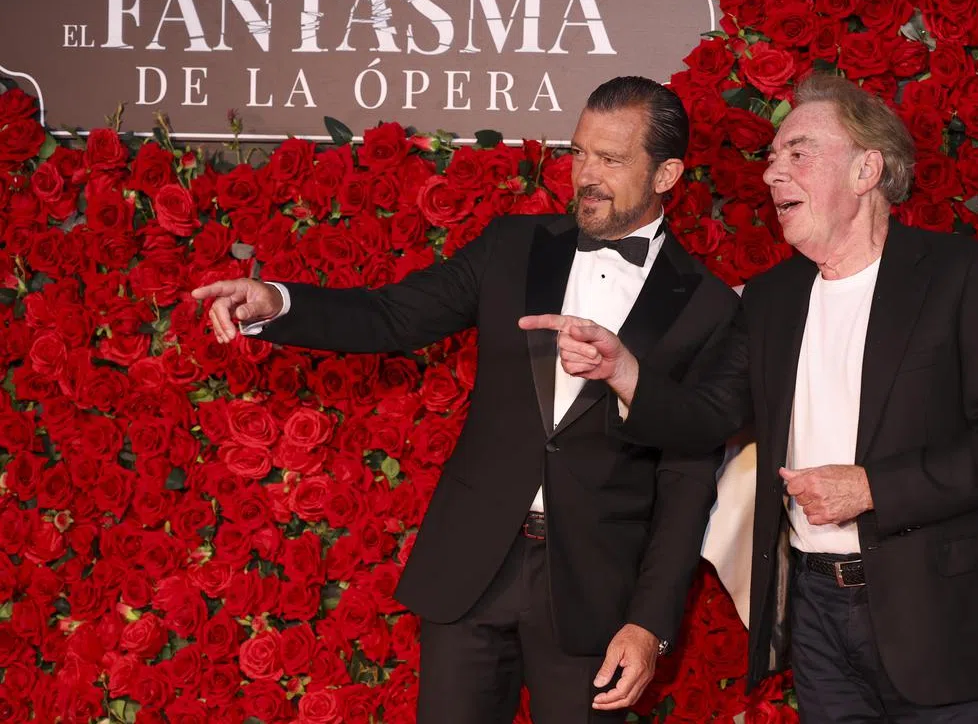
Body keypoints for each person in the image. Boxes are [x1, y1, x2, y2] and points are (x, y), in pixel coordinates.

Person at [192, 76, 740, 724]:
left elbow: (686, 479)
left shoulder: (707, 306)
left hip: (592, 595)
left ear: (667, 173)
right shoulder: (514, 245)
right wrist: (278, 303)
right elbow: (392, 316)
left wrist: (649, 624)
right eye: (579, 153)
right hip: (474, 569)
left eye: (611, 160)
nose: (585, 175)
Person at [521, 73, 978, 723]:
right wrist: (627, 373)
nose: (772, 175)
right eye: (771, 158)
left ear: (866, 169)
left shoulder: (962, 275)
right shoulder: (771, 298)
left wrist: (872, 487)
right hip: (817, 617)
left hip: (940, 620)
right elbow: (710, 416)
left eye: (797, 152)